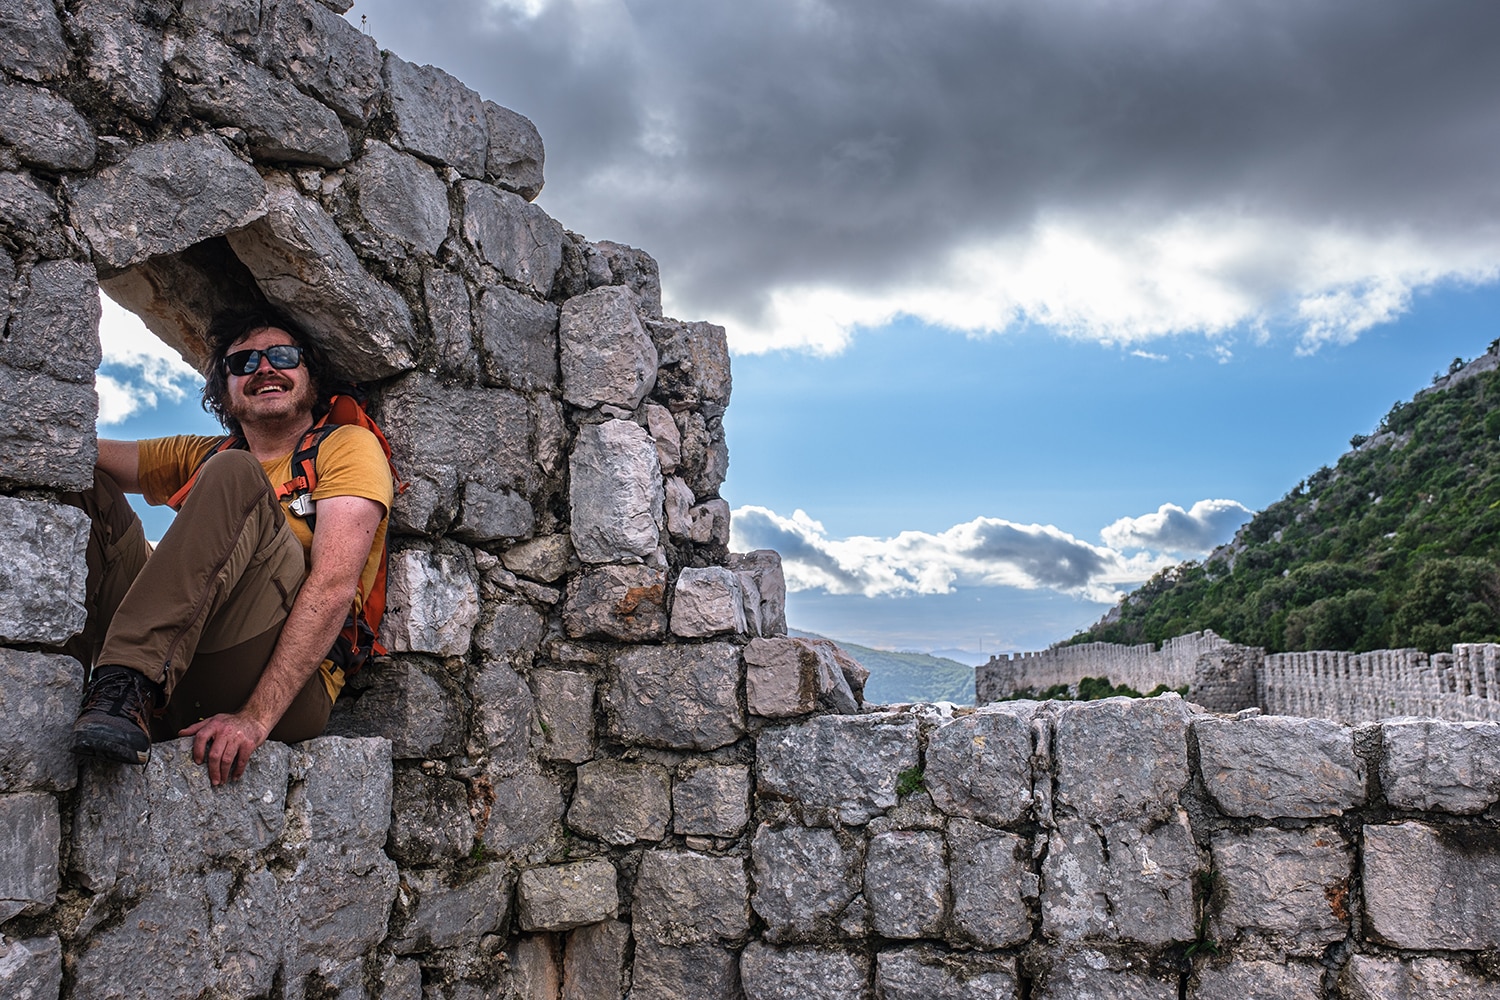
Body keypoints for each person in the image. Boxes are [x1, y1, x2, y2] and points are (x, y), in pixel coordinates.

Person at [68, 308, 393, 786]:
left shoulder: (343, 446)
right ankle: (68, 687)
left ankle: (125, 682)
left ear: (310, 375)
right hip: (176, 671)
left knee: (237, 474)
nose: (264, 368)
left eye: (282, 356)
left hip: (275, 681)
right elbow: (75, 452)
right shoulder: (205, 455)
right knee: (83, 483)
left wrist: (255, 718)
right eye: (242, 363)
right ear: (225, 390)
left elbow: (333, 586)